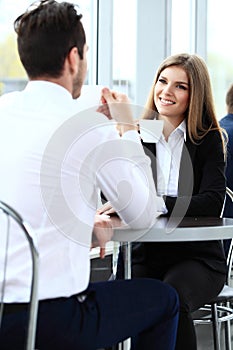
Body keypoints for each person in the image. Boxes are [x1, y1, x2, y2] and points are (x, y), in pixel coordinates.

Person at [0, 1, 179, 349]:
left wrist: (83, 223)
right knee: (165, 301)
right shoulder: (88, 128)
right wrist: (125, 130)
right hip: (49, 322)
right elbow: (141, 215)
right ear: (72, 59)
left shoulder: (3, 112)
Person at [99, 53, 227, 350]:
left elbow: (211, 201)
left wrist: (155, 203)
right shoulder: (139, 135)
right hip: (143, 254)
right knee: (114, 304)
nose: (167, 92)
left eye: (180, 86)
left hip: (196, 258)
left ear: (195, 95)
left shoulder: (206, 138)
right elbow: (116, 192)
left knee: (172, 296)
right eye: (162, 81)